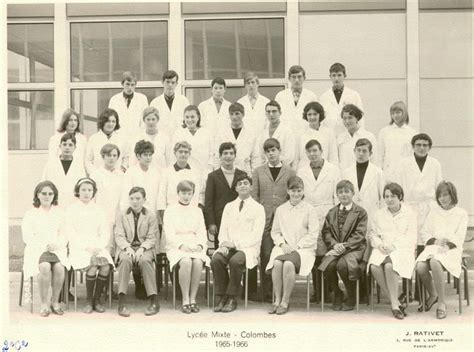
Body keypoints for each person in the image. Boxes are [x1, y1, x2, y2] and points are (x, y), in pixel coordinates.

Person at [250, 138, 296, 302]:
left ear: (279, 151)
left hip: (284, 221)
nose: (271, 154)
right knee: (266, 253)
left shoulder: (289, 172)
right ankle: (267, 292)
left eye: (274, 150)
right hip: (265, 219)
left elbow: (292, 195)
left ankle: (282, 291)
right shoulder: (258, 171)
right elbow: (254, 196)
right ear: (265, 154)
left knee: (282, 255)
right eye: (268, 151)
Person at [211, 175, 265, 313]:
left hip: (247, 248)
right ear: (236, 188)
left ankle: (231, 298)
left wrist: (235, 244)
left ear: (251, 187)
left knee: (235, 261)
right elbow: (223, 229)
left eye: (246, 183)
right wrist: (223, 244)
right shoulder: (229, 206)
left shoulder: (258, 208)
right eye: (239, 183)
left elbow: (256, 235)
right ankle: (221, 296)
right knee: (216, 259)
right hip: (228, 246)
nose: (242, 185)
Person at [266, 176, 319, 314]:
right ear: (288, 191)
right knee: (277, 263)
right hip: (284, 247)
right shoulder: (281, 209)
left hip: (303, 249)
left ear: (303, 191)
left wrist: (297, 246)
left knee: (288, 264)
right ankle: (277, 300)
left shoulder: (310, 209)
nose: (296, 194)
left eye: (299, 191)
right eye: (293, 190)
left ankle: (285, 301)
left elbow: (313, 234)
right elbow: (275, 232)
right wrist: (282, 244)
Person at [415, 181, 468, 319]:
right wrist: (436, 241)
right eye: (440, 196)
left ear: (452, 195)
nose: (442, 198)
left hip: (452, 249)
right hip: (435, 247)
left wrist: (447, 245)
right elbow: (425, 232)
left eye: (445, 195)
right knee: (420, 266)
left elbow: (460, 236)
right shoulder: (434, 213)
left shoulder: (461, 213)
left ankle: (442, 303)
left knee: (434, 261)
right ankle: (433, 294)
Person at [296, 139, 340, 301]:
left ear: (321, 151)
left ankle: (329, 291)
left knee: (327, 253)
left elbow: (337, 195)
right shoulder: (301, 171)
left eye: (315, 150)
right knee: (313, 252)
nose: (312, 154)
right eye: (309, 151)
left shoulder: (333, 170)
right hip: (309, 213)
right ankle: (318, 291)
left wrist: (335, 218)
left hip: (327, 214)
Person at [368, 183, 417, 319]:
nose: (389, 199)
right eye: (387, 196)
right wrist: (379, 245)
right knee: (374, 266)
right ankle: (395, 301)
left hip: (402, 249)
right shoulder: (379, 214)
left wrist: (394, 246)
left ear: (400, 197)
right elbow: (373, 234)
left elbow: (411, 236)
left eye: (393, 196)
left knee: (390, 266)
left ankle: (395, 306)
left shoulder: (409, 213)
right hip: (383, 248)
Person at [65, 178, 113, 314]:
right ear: (78, 191)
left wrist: (99, 246)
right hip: (79, 248)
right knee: (92, 266)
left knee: (105, 266)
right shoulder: (71, 210)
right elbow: (71, 233)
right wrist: (86, 247)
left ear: (94, 192)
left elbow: (105, 231)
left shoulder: (100, 210)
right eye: (83, 190)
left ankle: (97, 299)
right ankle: (88, 300)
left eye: (90, 190)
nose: (87, 193)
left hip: (98, 246)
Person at [318, 180, 368, 311]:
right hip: (336, 248)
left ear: (353, 194)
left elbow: (360, 234)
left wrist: (344, 246)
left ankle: (351, 295)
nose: (344, 195)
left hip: (355, 248)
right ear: (337, 195)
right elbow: (326, 231)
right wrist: (334, 245)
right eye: (340, 192)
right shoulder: (332, 212)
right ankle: (337, 293)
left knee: (342, 265)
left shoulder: (360, 212)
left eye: (347, 192)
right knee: (328, 265)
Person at [21, 181, 69, 317]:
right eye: (44, 193)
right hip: (37, 249)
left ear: (54, 195)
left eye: (50, 193)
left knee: (59, 267)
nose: (47, 196)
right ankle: (43, 304)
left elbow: (64, 234)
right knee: (44, 266)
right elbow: (27, 236)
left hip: (56, 248)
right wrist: (43, 245)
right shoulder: (31, 213)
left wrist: (57, 244)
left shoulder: (60, 213)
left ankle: (55, 302)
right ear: (37, 195)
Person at [164, 180, 210, 314]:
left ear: (193, 194)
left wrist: (200, 245)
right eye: (183, 193)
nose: (186, 196)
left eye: (189, 193)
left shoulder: (197, 211)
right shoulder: (170, 211)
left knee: (197, 262)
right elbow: (169, 233)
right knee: (185, 261)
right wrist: (181, 245)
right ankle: (185, 299)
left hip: (194, 243)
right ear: (178, 193)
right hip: (176, 245)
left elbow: (202, 231)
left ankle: (193, 298)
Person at [114, 186, 159, 317]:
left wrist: (142, 248)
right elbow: (119, 235)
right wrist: (127, 248)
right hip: (126, 247)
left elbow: (152, 237)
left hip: (144, 248)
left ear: (144, 199)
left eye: (138, 198)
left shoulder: (150, 215)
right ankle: (122, 301)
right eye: (132, 198)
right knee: (125, 259)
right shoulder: (122, 214)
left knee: (145, 260)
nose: (135, 201)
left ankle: (154, 300)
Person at [395, 133, 442, 248]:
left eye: (425, 145)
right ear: (413, 146)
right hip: (410, 204)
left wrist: (438, 206)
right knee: (410, 237)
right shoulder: (404, 164)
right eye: (418, 145)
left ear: (429, 147)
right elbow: (399, 186)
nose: (421, 148)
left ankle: (425, 261)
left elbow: (439, 186)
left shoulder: (435, 164)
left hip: (429, 205)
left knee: (427, 236)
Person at [204, 142, 248, 248]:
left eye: (231, 153)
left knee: (239, 249)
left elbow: (246, 198)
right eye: (225, 153)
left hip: (239, 219)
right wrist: (211, 223)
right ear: (220, 156)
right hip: (220, 220)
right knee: (221, 251)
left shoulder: (242, 175)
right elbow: (209, 201)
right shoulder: (213, 176)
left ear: (235, 156)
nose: (228, 156)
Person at [341, 138, 385, 228]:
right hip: (351, 215)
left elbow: (383, 198)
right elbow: (342, 195)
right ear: (354, 151)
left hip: (371, 214)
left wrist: (381, 218)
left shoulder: (378, 172)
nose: (361, 153)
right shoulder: (346, 172)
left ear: (370, 153)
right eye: (358, 150)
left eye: (364, 151)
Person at [89, 143, 124, 254]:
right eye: (108, 155)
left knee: (117, 246)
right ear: (103, 157)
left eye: (114, 155)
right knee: (104, 247)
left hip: (117, 215)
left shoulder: (121, 175)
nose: (112, 158)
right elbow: (92, 198)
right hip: (101, 215)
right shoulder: (95, 175)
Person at [213, 102, 260, 175]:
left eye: (237, 113)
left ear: (243, 114)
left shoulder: (251, 133)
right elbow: (216, 156)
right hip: (225, 172)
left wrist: (253, 177)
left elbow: (256, 158)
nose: (234, 117)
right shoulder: (221, 132)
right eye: (231, 114)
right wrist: (218, 175)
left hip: (245, 172)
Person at [42, 133, 86, 208]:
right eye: (64, 144)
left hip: (73, 204)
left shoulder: (79, 165)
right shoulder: (51, 164)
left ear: (75, 147)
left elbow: (82, 187)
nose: (67, 148)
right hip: (54, 204)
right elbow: (43, 184)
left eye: (70, 145)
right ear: (60, 146)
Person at [319, 63, 364, 135]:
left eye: (339, 75)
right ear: (330, 76)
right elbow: (321, 121)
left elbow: (361, 119)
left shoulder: (354, 95)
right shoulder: (323, 97)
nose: (336, 78)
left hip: (348, 135)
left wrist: (359, 136)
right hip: (330, 135)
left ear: (345, 76)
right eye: (333, 75)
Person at [378, 101, 417, 182]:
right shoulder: (384, 132)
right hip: (388, 173)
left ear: (404, 113)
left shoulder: (412, 132)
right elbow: (380, 154)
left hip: (406, 174)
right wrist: (380, 173)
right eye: (393, 113)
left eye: (398, 112)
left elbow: (413, 156)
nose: (395, 115)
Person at [120, 140, 160, 216]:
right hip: (135, 213)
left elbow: (157, 196)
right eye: (145, 155)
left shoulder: (156, 172)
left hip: (152, 214)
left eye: (150, 155)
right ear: (138, 156)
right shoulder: (131, 172)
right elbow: (125, 196)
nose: (148, 158)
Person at [294, 101, 338, 169]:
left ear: (320, 114)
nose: (312, 117)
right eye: (309, 114)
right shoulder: (300, 134)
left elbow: (333, 157)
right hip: (304, 171)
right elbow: (296, 159)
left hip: (324, 171)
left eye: (315, 114)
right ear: (306, 115)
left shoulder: (329, 133)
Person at [85, 108, 129, 175]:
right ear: (103, 122)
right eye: (108, 121)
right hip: (99, 177)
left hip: (117, 177)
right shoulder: (93, 139)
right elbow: (88, 161)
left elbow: (126, 157)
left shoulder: (122, 138)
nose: (111, 124)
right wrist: (95, 174)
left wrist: (121, 171)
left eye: (113, 121)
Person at [171, 105, 214, 174]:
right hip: (184, 172)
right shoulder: (178, 133)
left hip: (204, 172)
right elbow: (173, 156)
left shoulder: (206, 133)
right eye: (187, 117)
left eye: (192, 117)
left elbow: (211, 154)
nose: (189, 120)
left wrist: (209, 170)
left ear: (198, 117)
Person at [275, 65, 318, 132]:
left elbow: (317, 118)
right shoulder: (280, 96)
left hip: (306, 133)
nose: (296, 80)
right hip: (286, 133)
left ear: (304, 78)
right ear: (289, 79)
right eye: (294, 77)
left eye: (299, 77)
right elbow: (276, 117)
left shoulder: (311, 96)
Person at [128, 106, 172, 171]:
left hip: (161, 174)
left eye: (153, 119)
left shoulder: (165, 137)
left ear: (157, 120)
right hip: (143, 174)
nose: (151, 122)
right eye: (148, 119)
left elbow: (169, 160)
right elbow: (133, 160)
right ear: (144, 120)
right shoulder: (138, 137)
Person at [337, 104, 378, 171]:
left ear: (357, 118)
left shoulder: (369, 136)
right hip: (344, 176)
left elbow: (375, 161)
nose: (347, 121)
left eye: (350, 117)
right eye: (344, 118)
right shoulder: (339, 138)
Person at [150, 70, 190, 138]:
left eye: (173, 82)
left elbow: (188, 122)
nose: (170, 85)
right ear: (162, 83)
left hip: (179, 139)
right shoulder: (155, 103)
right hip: (161, 140)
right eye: (167, 82)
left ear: (176, 84)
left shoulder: (184, 101)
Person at [255, 100, 296, 167]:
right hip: (266, 168)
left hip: (282, 168)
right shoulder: (263, 132)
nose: (271, 114)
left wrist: (274, 164)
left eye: (274, 111)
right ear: (266, 114)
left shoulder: (287, 131)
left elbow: (289, 156)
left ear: (280, 113)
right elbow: (261, 154)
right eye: (268, 112)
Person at [108, 71, 149, 137]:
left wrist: (141, 136)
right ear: (122, 84)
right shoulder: (114, 99)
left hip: (137, 137)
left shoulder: (142, 99)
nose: (130, 87)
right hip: (119, 137)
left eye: (132, 85)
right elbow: (110, 121)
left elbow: (144, 122)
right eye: (127, 84)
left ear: (135, 85)